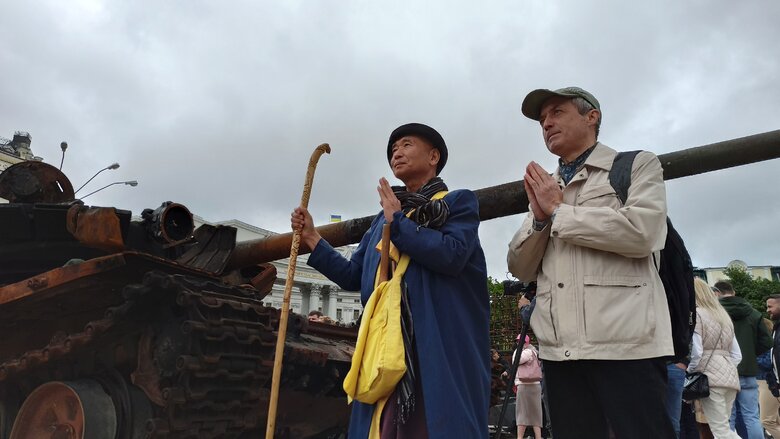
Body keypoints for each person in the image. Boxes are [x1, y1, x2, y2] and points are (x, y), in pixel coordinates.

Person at [291, 123, 490, 438]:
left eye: (406, 144)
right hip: (385, 346)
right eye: (393, 149)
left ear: (433, 156)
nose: (397, 152)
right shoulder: (379, 222)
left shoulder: (457, 203)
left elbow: (451, 255)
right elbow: (354, 275)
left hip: (435, 345)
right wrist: (313, 238)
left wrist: (397, 221)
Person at [507, 86, 675, 438]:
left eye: (557, 112)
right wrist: (540, 221)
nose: (546, 123)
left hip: (627, 347)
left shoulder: (636, 165)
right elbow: (520, 267)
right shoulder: (547, 186)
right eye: (542, 119)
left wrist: (558, 211)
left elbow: (643, 232)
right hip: (560, 353)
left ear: (591, 117)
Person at [715, 280, 773, 438]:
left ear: (717, 293)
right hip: (748, 370)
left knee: (728, 418)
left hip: (723, 372)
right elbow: (767, 342)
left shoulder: (714, 313)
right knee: (752, 416)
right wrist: (750, 353)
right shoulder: (753, 313)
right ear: (733, 292)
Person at [688, 277, 742, 439]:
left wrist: (690, 371)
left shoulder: (697, 315)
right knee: (724, 428)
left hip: (710, 378)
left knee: (720, 431)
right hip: (730, 377)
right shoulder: (723, 316)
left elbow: (697, 352)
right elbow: (737, 355)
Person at [513, 335, 543, 439]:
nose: (518, 343)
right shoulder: (534, 351)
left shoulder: (527, 352)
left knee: (522, 413)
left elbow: (516, 360)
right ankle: (538, 437)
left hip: (524, 384)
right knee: (536, 413)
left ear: (526, 342)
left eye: (520, 341)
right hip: (535, 385)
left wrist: (517, 350)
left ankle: (519, 437)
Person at [764, 295, 780, 437]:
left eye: (770, 306)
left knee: (767, 420)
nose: (767, 310)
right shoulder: (776, 327)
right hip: (776, 382)